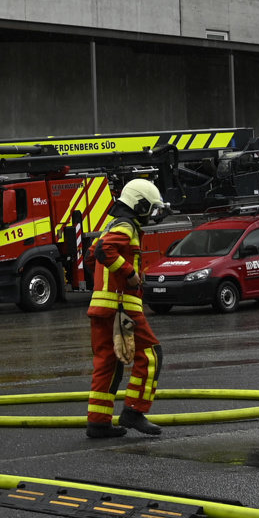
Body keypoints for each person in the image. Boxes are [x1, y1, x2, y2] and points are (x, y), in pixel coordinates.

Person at [85, 179, 168, 439]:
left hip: (101, 307)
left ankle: (98, 422)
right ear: (139, 204)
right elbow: (104, 250)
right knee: (151, 355)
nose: (151, 215)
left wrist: (108, 281)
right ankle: (134, 410)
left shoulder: (112, 225)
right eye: (150, 208)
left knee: (108, 363)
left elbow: (91, 256)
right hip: (121, 308)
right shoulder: (126, 226)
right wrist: (129, 274)